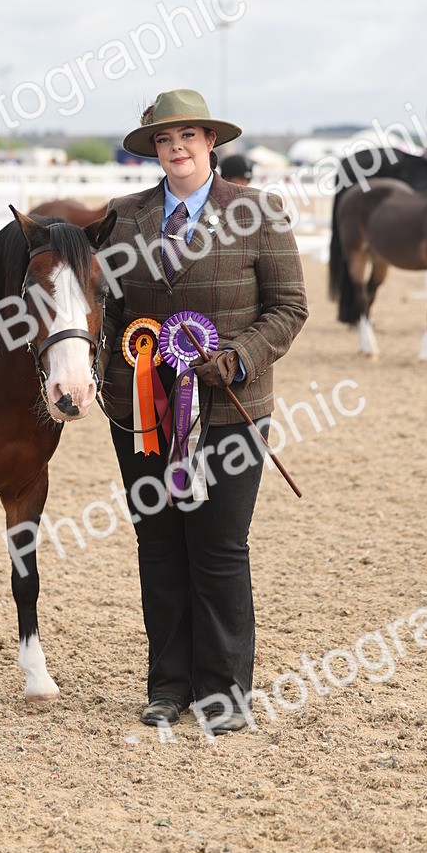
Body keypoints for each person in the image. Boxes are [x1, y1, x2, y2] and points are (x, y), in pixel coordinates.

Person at [99, 89, 308, 734]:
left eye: (188, 135)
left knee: (218, 549)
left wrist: (240, 357)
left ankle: (224, 690)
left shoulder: (256, 212)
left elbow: (291, 307)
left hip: (230, 410)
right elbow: (106, 312)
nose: (178, 148)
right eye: (165, 139)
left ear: (211, 143)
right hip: (144, 413)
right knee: (158, 548)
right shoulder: (122, 218)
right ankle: (168, 684)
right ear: (154, 150)